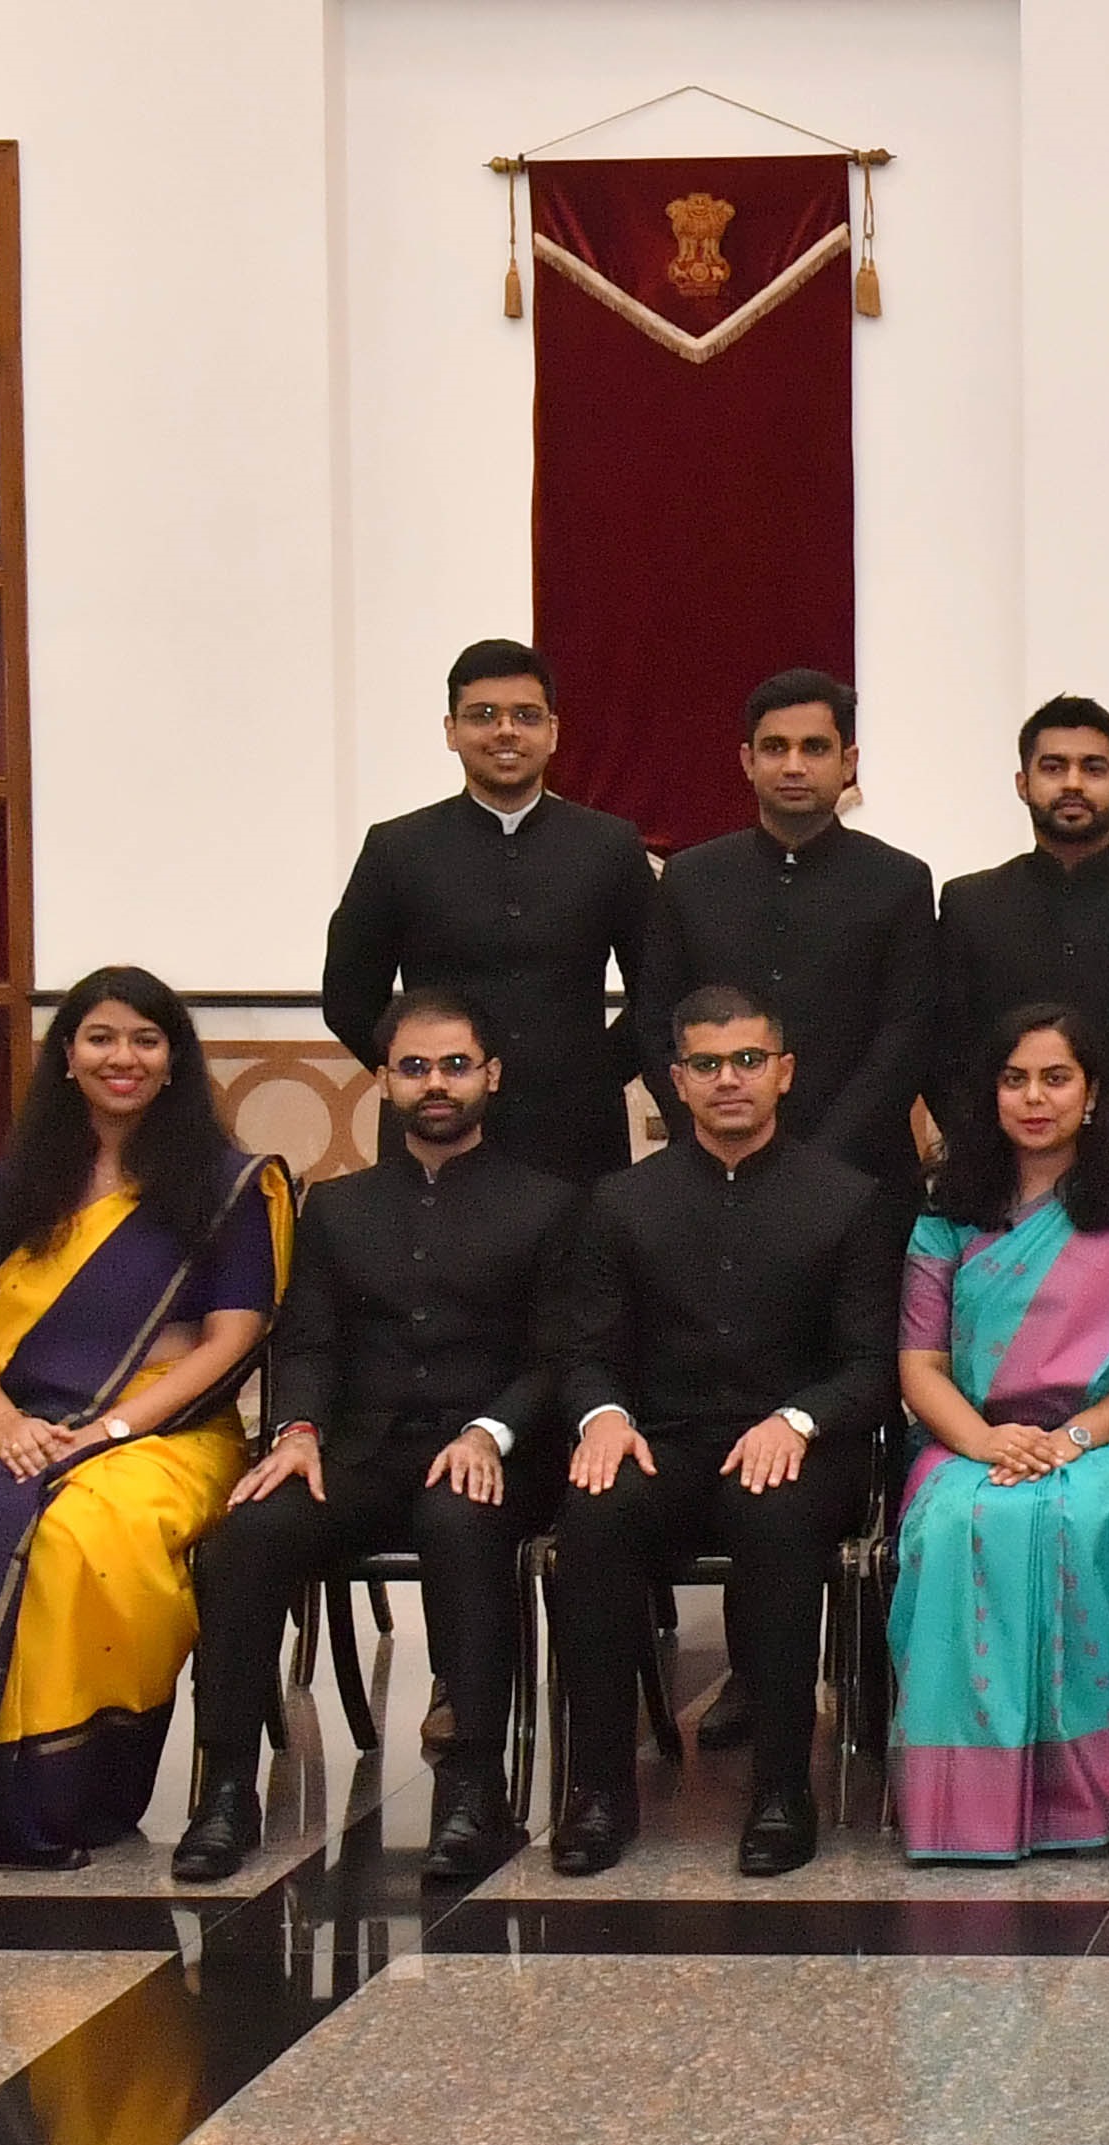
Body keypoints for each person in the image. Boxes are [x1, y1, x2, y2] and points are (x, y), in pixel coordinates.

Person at [0, 969, 287, 1873]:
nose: (122, 1057)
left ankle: (57, 1793)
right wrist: (8, 1427)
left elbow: (233, 1336)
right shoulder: (9, 1191)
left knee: (81, 1529)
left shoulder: (226, 1187)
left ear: (173, 1061)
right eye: (100, 1038)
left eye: (144, 1039)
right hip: (18, 1423)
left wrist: (113, 1430)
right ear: (66, 1058)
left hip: (168, 1434)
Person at [174, 988, 577, 1882]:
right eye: (416, 1067)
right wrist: (297, 1429)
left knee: (458, 1522)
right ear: (385, 1081)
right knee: (249, 1531)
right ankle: (228, 1789)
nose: (437, 1084)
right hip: (358, 1450)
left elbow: (559, 1356)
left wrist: (490, 1431)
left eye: (455, 1065)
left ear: (492, 1076)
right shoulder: (338, 1208)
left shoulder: (549, 1205)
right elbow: (307, 1337)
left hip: (492, 1455)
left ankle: (475, 1791)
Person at [541, 986, 900, 1876]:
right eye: (706, 1064)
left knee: (772, 1510)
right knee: (593, 1509)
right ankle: (596, 1792)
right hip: (661, 1438)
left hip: (801, 1443)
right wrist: (603, 1418)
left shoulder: (849, 1200)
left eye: (747, 1061)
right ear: (675, 1081)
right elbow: (583, 1350)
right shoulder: (620, 1202)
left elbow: (873, 1365)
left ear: (784, 1072)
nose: (727, 1080)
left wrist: (799, 1417)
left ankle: (782, 1789)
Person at [892, 1008, 1109, 1863]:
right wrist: (988, 1442)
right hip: (971, 1438)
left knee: (1076, 1521)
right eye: (1014, 1079)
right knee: (963, 1521)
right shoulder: (948, 1215)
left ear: (1093, 1092)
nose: (1035, 1098)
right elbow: (920, 1366)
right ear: (989, 1093)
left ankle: (1079, 1798)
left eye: (1056, 1077)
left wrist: (1071, 1439)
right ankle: (962, 1808)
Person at [318, 639, 659, 1182]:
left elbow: (660, 988)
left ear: (552, 732)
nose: (505, 731)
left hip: (576, 1134)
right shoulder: (397, 848)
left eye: (525, 716)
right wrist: (423, 1078)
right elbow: (348, 998)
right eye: (483, 716)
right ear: (452, 731)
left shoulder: (610, 846)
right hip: (435, 1135)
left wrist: (595, 1073)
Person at [633, 667, 941, 1179]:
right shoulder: (691, 878)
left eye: (815, 748)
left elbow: (904, 1036)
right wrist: (711, 1140)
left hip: (861, 1176)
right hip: (710, 1169)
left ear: (849, 763)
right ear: (748, 762)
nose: (794, 766)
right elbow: (657, 1022)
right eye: (775, 748)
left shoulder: (899, 881)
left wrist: (822, 1161)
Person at [936, 696, 1109, 1190]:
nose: (1072, 783)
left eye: (1093, 768)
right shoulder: (969, 906)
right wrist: (1010, 1166)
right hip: (997, 1191)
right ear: (1023, 784)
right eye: (1053, 767)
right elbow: (946, 1061)